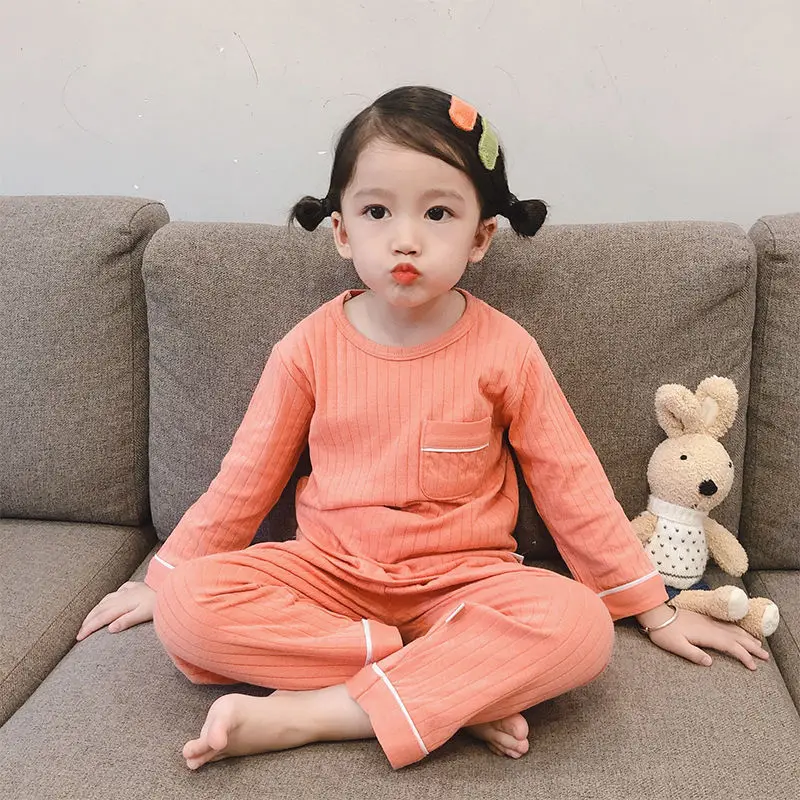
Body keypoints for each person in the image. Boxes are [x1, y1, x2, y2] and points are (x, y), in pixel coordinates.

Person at [76, 85, 769, 772]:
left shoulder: (507, 350)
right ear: (342, 230)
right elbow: (246, 478)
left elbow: (572, 482)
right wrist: (162, 581)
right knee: (188, 610)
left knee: (583, 628)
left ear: (481, 237)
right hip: (326, 578)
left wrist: (655, 610)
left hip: (465, 585)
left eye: (438, 213)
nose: (405, 238)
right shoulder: (306, 349)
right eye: (377, 211)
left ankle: (330, 710)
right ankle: (449, 686)